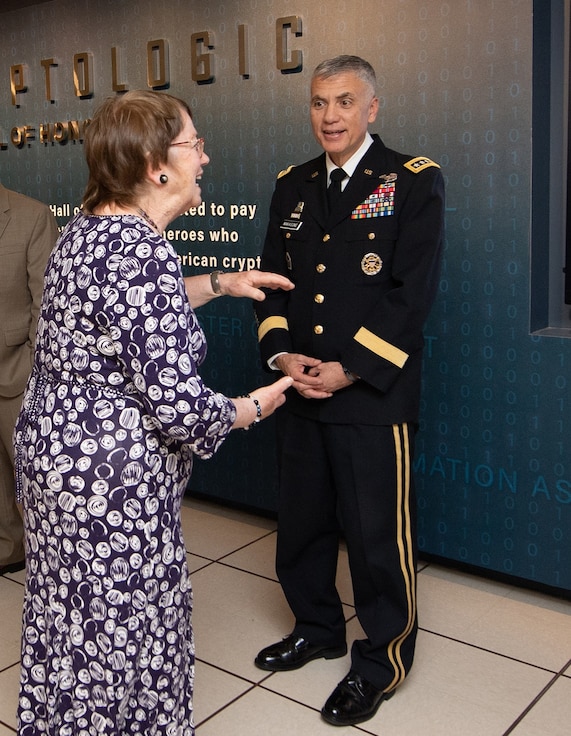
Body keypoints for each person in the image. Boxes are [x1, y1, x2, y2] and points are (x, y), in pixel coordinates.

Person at [13, 90, 294, 736]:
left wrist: (223, 282)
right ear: (153, 164)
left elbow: (133, 315)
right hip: (111, 496)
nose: (205, 157)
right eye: (194, 144)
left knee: (70, 625)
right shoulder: (140, 252)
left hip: (55, 470)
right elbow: (181, 411)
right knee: (121, 637)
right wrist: (254, 404)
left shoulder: (90, 230)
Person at [254, 55, 445, 727]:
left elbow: (409, 295)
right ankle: (316, 627)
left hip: (370, 393)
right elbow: (272, 280)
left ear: (371, 109)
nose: (327, 115)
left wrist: (351, 369)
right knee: (301, 522)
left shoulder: (412, 181)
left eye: (342, 102)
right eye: (316, 103)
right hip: (300, 388)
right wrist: (281, 354)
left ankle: (379, 662)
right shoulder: (292, 185)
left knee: (375, 539)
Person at [0, 183, 58, 577]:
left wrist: (30, 368)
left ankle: (53, 561)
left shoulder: (32, 216)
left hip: (15, 371)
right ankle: (8, 550)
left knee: (35, 481)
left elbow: (48, 308)